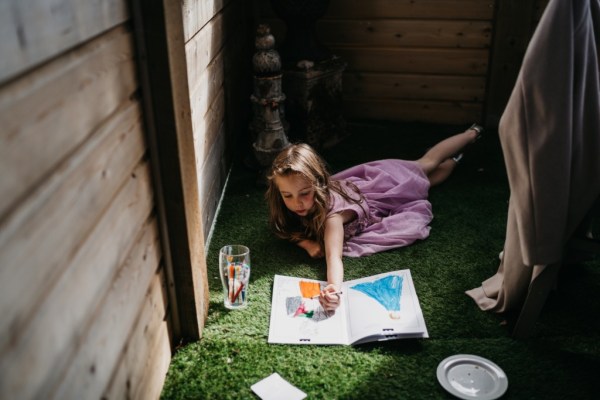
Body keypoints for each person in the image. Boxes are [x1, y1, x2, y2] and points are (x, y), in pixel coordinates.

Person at [265, 124, 483, 311]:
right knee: (429, 183)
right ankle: (456, 159)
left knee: (425, 165)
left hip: (386, 185)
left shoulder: (332, 218)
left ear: (318, 184)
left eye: (304, 193)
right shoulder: (284, 200)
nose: (297, 203)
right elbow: (280, 227)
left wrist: (334, 288)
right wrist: (306, 243)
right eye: (288, 196)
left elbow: (334, 257)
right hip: (365, 193)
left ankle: (473, 133)